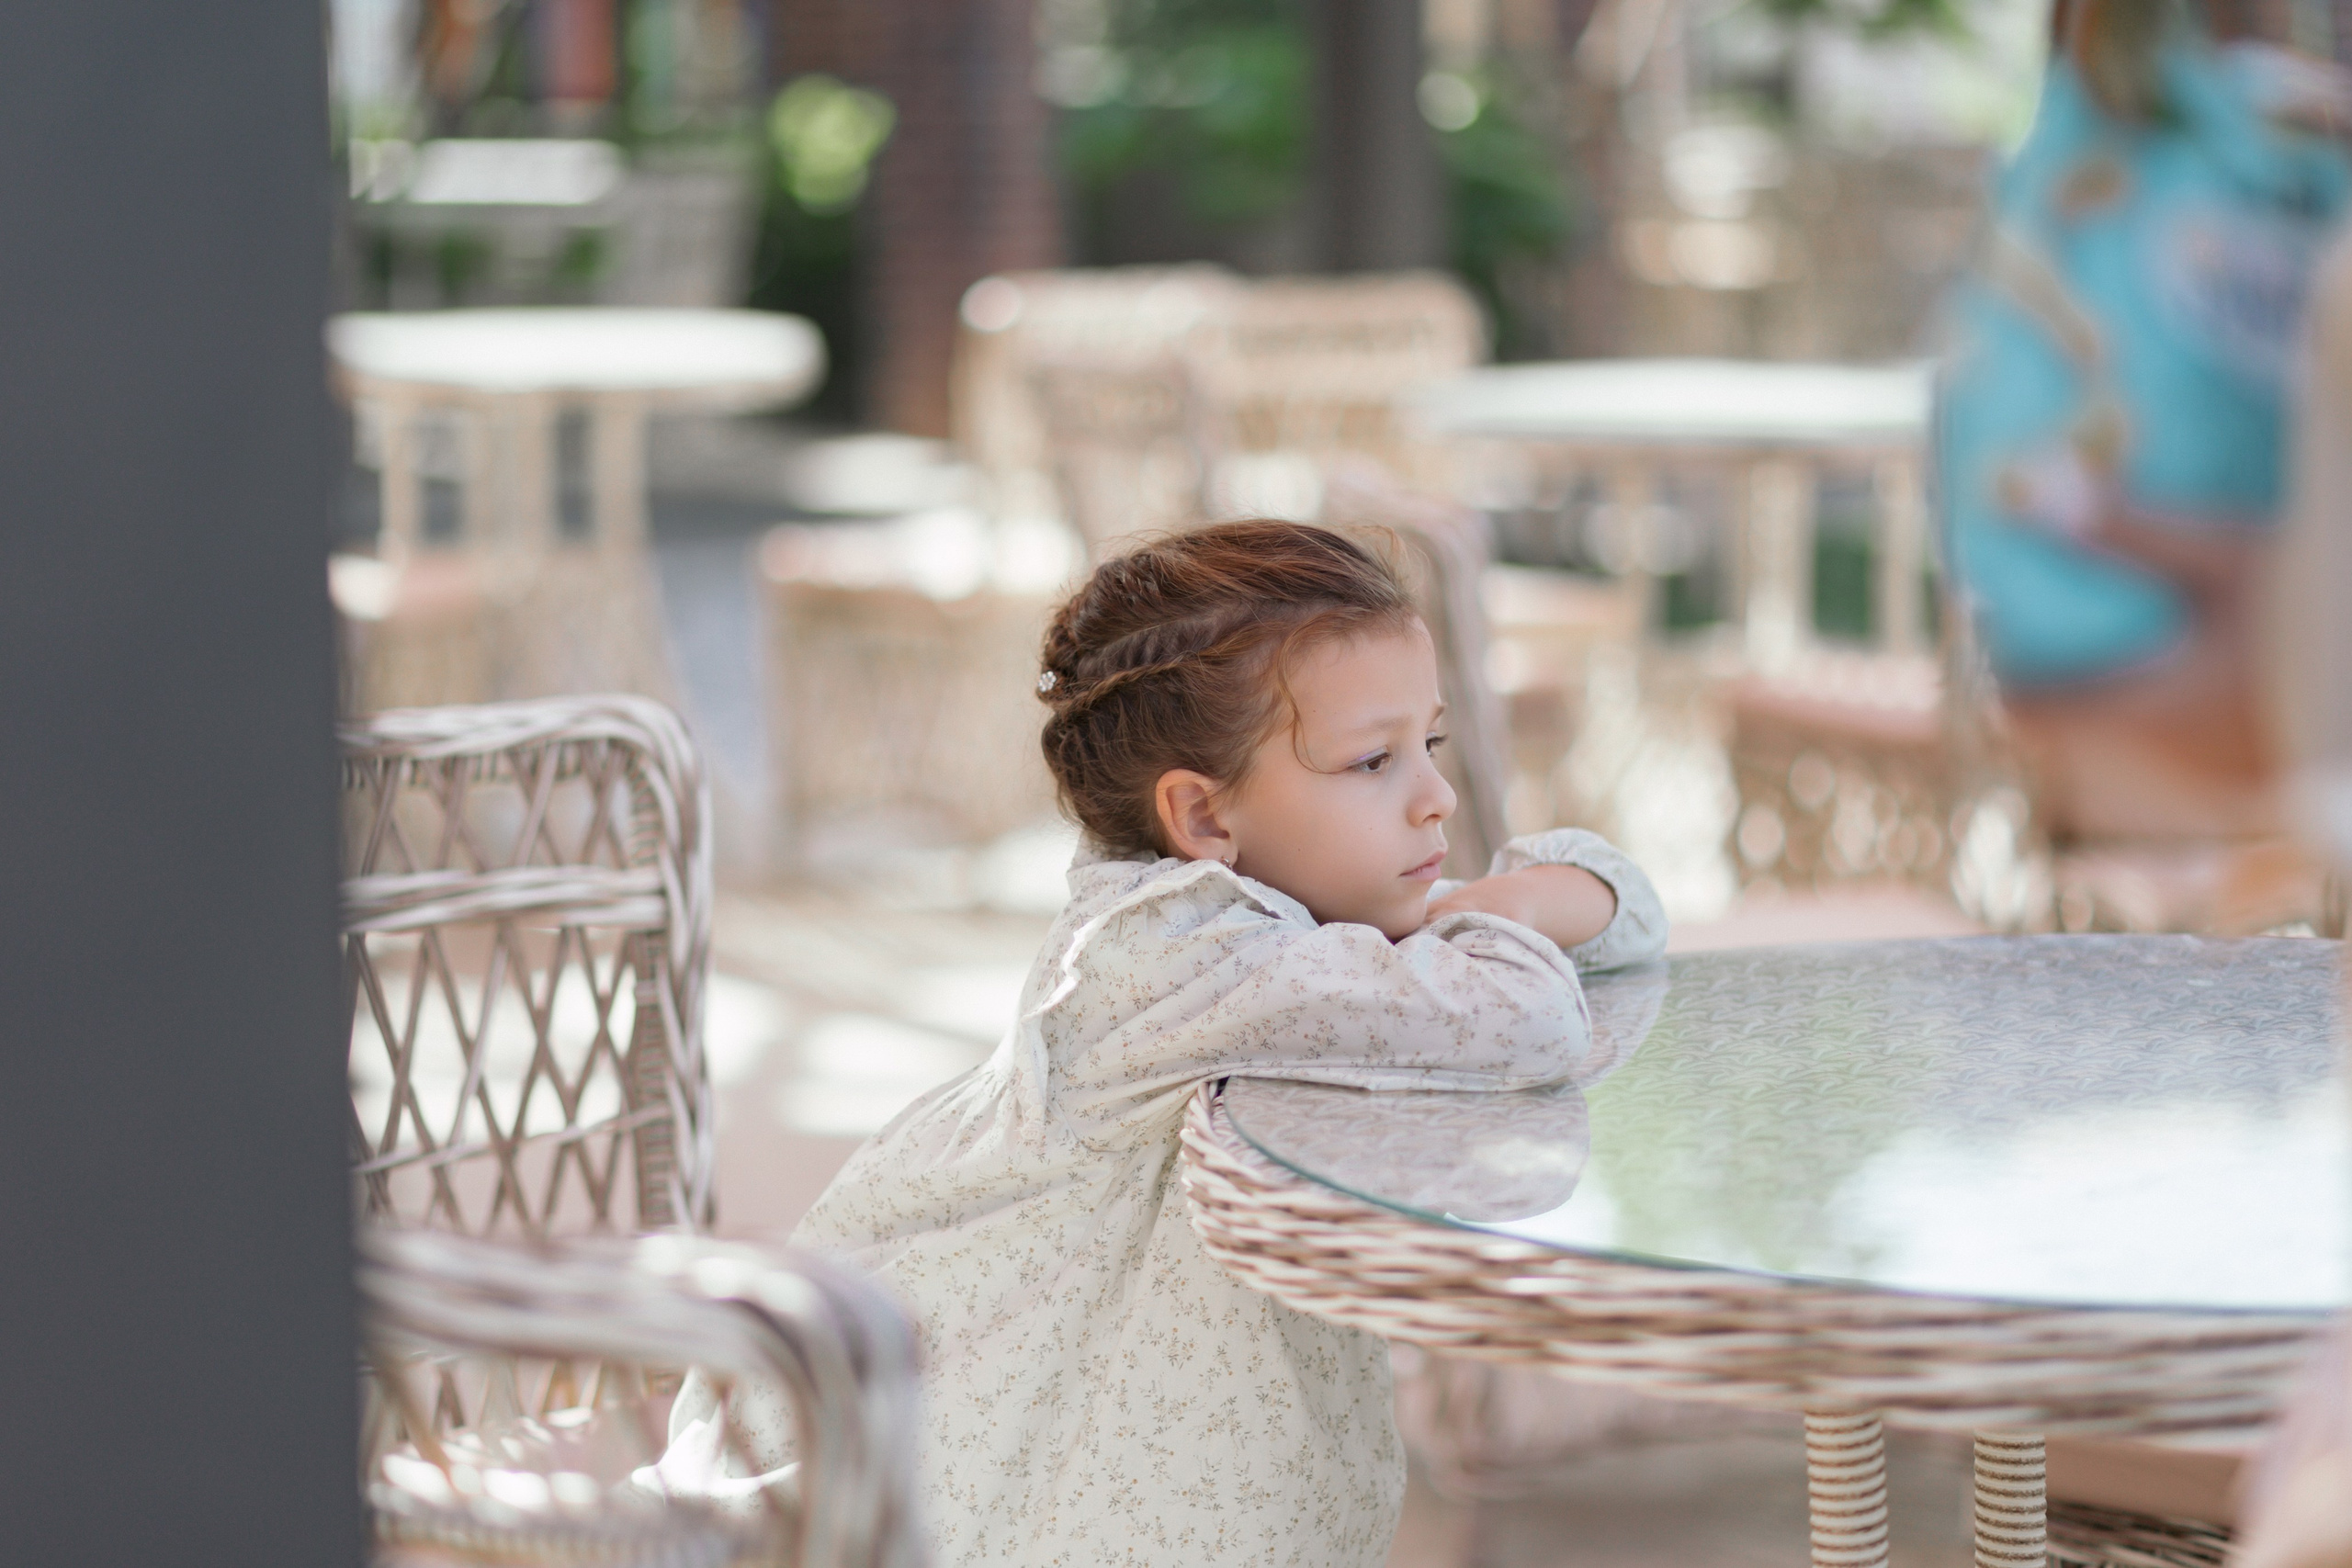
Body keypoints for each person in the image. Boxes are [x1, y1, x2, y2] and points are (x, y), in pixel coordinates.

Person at [661, 519, 1667, 1566]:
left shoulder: (1301, 914)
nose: (1435, 797)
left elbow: (1621, 925)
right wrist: (1508, 906)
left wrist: (1495, 905)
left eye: (1432, 743)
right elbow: (1526, 1016)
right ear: (1200, 815)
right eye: (1372, 759)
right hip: (1002, 1423)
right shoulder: (1178, 954)